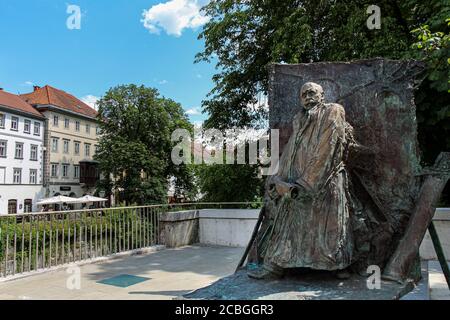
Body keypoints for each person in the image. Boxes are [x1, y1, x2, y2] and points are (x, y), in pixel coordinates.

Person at [248, 82, 355, 280]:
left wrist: (305, 183)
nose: (307, 97)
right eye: (303, 94)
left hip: (325, 182)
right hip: (297, 184)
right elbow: (291, 151)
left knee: (329, 229)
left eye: (311, 92)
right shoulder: (299, 119)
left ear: (322, 95)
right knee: (290, 222)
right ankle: (276, 266)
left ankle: (337, 265)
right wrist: (277, 178)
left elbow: (327, 148)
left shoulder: (333, 111)